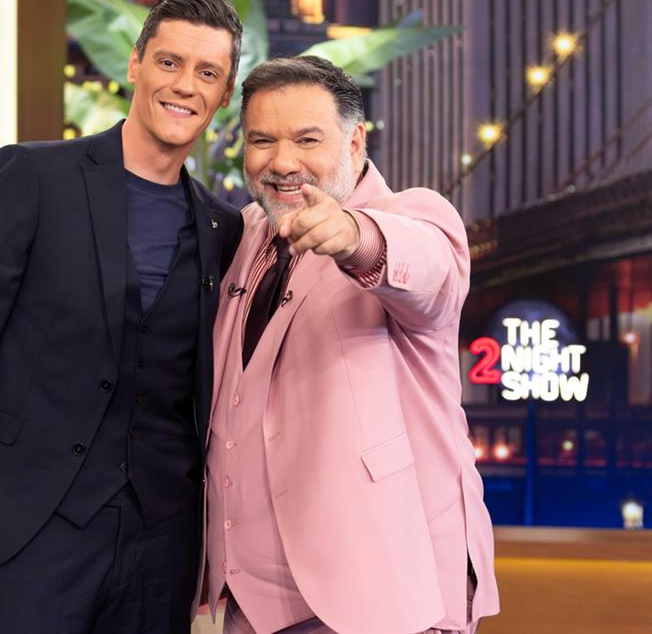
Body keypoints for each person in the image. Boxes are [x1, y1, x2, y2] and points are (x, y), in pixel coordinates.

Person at [0, 0, 244, 633]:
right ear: (135, 64)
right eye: (169, 62)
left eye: (208, 73)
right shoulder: (32, 178)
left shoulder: (222, 227)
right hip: (28, 534)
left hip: (162, 545)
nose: (185, 85)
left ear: (224, 94)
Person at [201, 56, 500, 634]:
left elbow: (429, 270)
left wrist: (354, 237)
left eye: (307, 139)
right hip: (252, 604)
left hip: (386, 596)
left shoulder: (412, 214)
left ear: (356, 140)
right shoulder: (246, 234)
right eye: (262, 140)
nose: (282, 162)